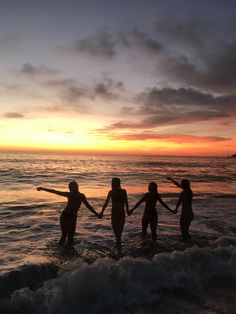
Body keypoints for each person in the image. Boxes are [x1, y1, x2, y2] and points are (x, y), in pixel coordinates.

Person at [37, 181, 100, 246]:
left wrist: (42, 188)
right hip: (70, 216)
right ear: (77, 187)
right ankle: (67, 253)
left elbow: (55, 191)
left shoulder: (72, 194)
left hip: (65, 215)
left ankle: (61, 252)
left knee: (65, 236)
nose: (72, 189)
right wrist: (97, 214)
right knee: (69, 237)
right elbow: (55, 191)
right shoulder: (80, 196)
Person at [101, 177, 129, 252]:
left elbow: (126, 202)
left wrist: (101, 212)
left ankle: (119, 250)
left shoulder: (120, 192)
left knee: (118, 234)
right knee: (118, 234)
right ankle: (119, 249)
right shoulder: (115, 192)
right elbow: (126, 203)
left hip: (117, 214)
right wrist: (101, 212)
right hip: (117, 214)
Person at [167, 177, 194, 241]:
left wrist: (175, 210)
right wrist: (171, 180)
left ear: (184, 185)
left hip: (185, 214)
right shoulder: (190, 192)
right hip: (190, 214)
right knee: (186, 231)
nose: (180, 184)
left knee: (183, 231)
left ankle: (186, 244)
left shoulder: (183, 193)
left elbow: (179, 202)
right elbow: (178, 185)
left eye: (182, 184)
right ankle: (190, 243)